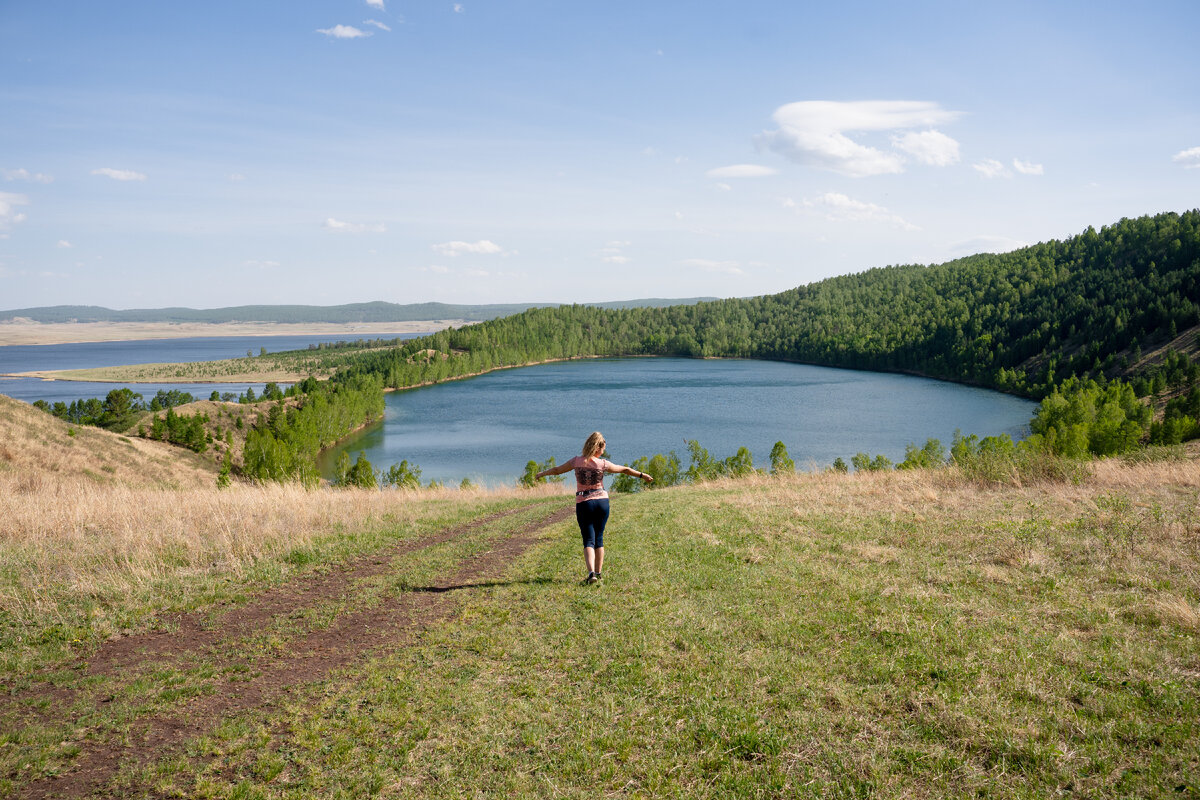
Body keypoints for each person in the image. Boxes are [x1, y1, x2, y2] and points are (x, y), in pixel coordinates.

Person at [535, 431, 653, 584]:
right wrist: (642, 475)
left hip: (584, 503)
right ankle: (599, 572)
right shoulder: (602, 463)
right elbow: (624, 469)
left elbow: (557, 470)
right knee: (599, 538)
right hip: (602, 502)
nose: (603, 452)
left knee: (588, 540)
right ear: (598, 448)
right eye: (603, 449)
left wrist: (542, 474)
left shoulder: (576, 461)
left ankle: (591, 574)